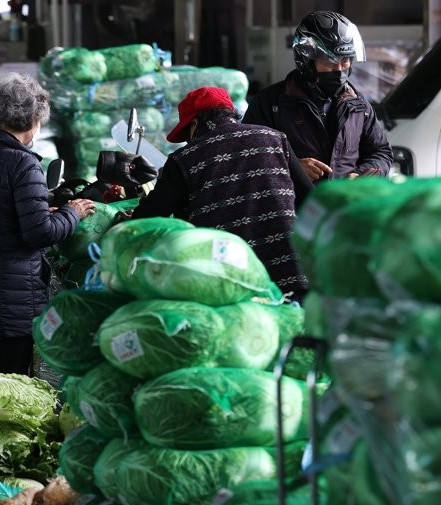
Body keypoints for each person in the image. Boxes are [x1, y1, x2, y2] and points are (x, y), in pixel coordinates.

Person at [0, 72, 95, 375]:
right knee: (7, 397)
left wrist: (44, 210)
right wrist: (72, 213)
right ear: (33, 118)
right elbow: (40, 234)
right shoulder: (23, 162)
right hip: (9, 303)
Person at [130, 86, 309, 301]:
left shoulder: (185, 158)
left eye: (187, 134)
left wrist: (128, 221)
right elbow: (310, 198)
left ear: (195, 124)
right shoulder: (274, 139)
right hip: (289, 274)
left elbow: (151, 215)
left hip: (228, 283)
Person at [243, 10, 393, 181]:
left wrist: (362, 175)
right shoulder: (270, 103)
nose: (339, 70)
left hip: (344, 204)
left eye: (345, 61)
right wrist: (292, 167)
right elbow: (247, 156)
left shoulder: (358, 105)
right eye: (330, 62)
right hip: (291, 206)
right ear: (306, 62)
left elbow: (382, 153)